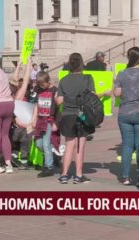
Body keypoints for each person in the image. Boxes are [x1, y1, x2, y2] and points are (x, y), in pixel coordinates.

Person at [114, 47, 139, 186]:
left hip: (125, 113)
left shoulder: (122, 74)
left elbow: (117, 93)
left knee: (127, 145)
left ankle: (125, 176)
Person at [56, 53, 95, 184]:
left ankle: (64, 174)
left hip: (67, 115)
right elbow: (92, 97)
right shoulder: (88, 78)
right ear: (81, 64)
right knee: (80, 146)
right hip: (82, 115)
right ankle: (78, 175)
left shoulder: (64, 80)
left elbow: (59, 101)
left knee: (69, 145)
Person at [32, 71, 57, 178]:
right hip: (40, 120)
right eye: (39, 85)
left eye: (43, 85)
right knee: (39, 144)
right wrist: (34, 119)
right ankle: (52, 155)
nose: (42, 87)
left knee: (46, 144)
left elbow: (59, 107)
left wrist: (56, 122)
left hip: (49, 120)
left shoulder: (54, 90)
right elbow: (36, 105)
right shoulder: (38, 90)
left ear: (48, 81)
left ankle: (49, 167)